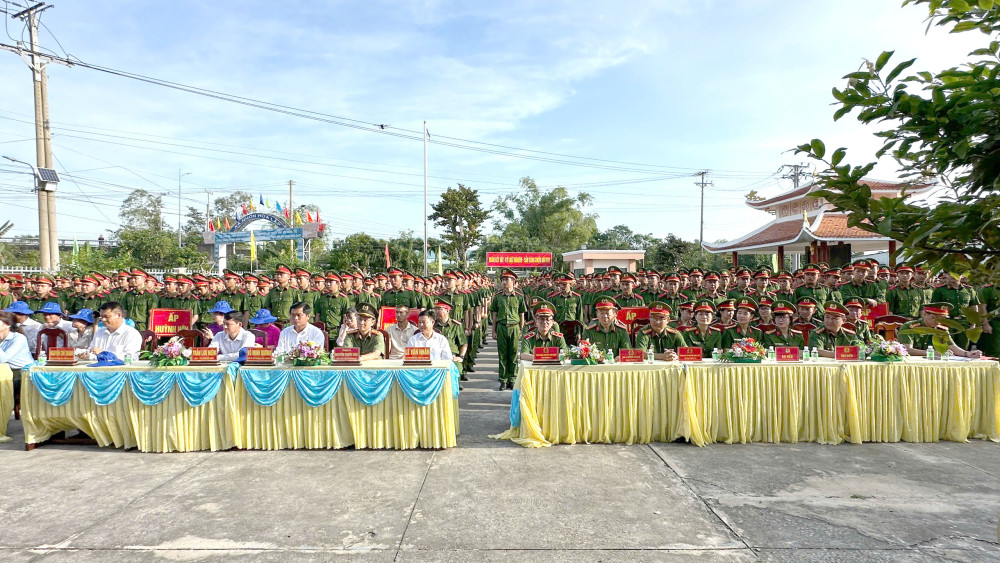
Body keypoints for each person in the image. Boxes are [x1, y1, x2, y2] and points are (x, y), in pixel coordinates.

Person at [898, 303, 983, 359]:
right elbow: (907, 350)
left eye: (942, 319)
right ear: (924, 314)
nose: (937, 322)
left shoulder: (942, 329)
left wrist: (966, 353)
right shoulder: (910, 327)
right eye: (933, 318)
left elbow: (951, 346)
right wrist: (933, 353)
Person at [490, 269, 526, 391]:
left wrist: (521, 330)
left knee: (514, 354)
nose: (504, 282)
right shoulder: (497, 297)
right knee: (502, 354)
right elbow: (494, 314)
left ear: (513, 281)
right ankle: (503, 380)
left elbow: (522, 315)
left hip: (514, 327)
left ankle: (513, 378)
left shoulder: (519, 297)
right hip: (501, 327)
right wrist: (493, 331)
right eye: (503, 280)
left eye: (507, 280)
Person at [0, 310, 35, 415]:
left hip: (21, 371)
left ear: (7, 325)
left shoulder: (19, 338)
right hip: (5, 370)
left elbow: (3, 359)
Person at [433, 298, 467, 373]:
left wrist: (461, 357)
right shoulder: (432, 325)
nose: (437, 311)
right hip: (435, 357)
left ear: (447, 311)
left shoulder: (455, 326)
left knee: (457, 369)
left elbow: (463, 344)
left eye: (440, 309)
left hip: (451, 356)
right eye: (436, 309)